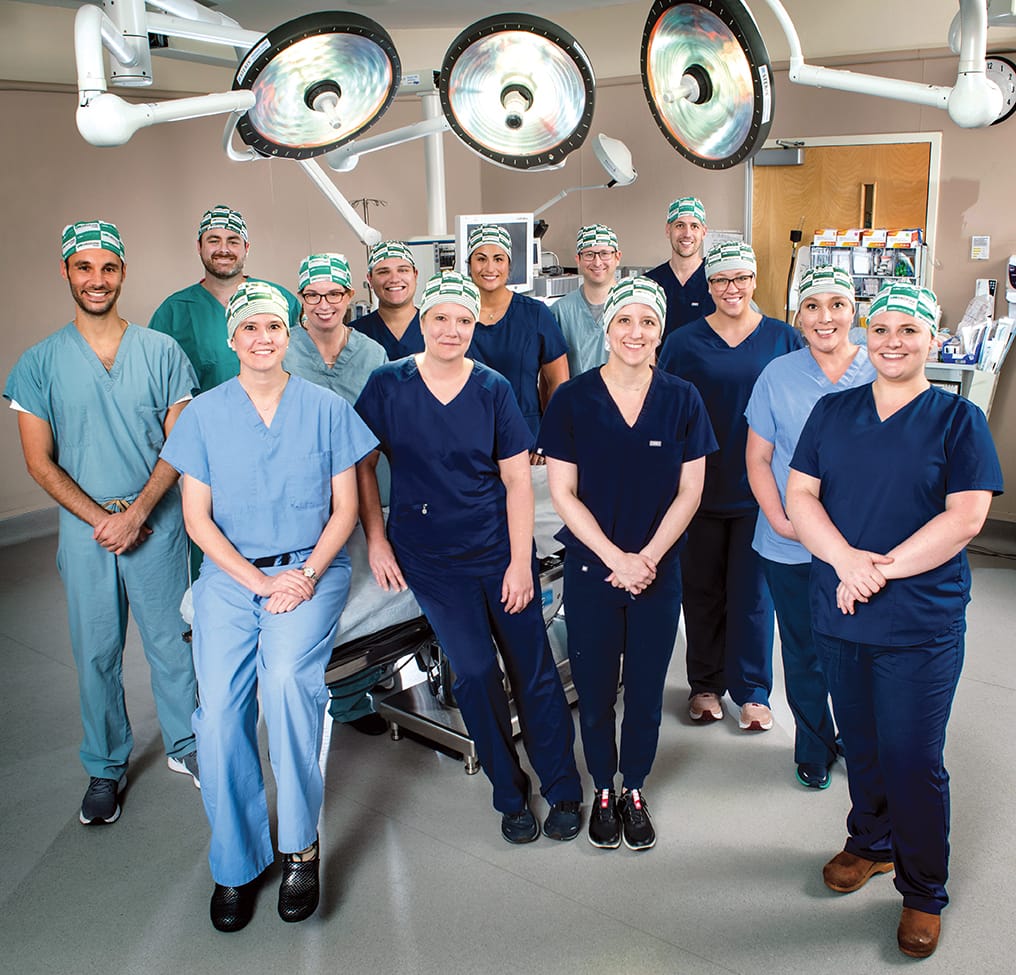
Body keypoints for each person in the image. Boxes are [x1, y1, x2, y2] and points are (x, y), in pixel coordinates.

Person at [785, 283, 1002, 959]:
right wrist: (847, 561)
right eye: (881, 329)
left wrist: (878, 569)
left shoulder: (955, 420)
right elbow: (801, 494)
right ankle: (871, 843)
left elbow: (965, 517)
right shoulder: (832, 411)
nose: (893, 341)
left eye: (909, 329)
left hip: (918, 620)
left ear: (932, 337)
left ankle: (922, 889)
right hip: (842, 612)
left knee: (912, 756)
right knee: (865, 744)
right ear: (866, 335)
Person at [161, 280, 378, 933]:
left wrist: (305, 574)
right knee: (220, 715)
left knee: (286, 684)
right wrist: (257, 584)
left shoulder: (325, 406)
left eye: (275, 328)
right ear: (232, 340)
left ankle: (299, 847)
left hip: (311, 568)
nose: (263, 339)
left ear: (289, 335)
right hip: (232, 578)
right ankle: (236, 861)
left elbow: (345, 511)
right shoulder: (203, 414)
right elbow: (197, 520)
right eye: (250, 328)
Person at [354, 270, 583, 845]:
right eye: (440, 318)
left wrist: (516, 563)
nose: (452, 329)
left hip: (498, 548)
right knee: (477, 673)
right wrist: (377, 540)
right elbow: (360, 464)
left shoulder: (492, 388)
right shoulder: (389, 385)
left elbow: (515, 483)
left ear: (473, 324)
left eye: (462, 319)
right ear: (422, 323)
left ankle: (561, 787)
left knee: (532, 670)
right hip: (430, 558)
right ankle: (509, 793)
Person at [4, 221, 199, 826]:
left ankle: (190, 746)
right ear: (66, 272)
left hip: (156, 524)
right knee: (96, 651)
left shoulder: (161, 352)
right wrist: (104, 520)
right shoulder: (39, 363)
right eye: (84, 268)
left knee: (174, 645)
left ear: (122, 273)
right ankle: (106, 768)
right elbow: (39, 461)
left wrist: (138, 512)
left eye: (107, 268)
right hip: (86, 531)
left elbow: (181, 444)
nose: (96, 279)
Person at [538, 276, 715, 851]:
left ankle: (633, 785)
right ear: (607, 328)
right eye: (624, 321)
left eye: (648, 322)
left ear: (660, 331)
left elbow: (691, 491)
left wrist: (647, 559)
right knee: (593, 689)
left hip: (657, 573)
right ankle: (603, 789)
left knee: (644, 688)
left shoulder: (683, 398)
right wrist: (617, 557)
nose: (635, 333)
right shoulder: (572, 399)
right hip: (594, 571)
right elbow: (563, 491)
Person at [658, 241, 802, 731]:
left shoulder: (784, 339)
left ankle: (754, 691)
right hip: (698, 489)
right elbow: (665, 410)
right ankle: (704, 685)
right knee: (699, 591)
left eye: (740, 278)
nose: (731, 288)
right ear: (708, 285)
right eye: (720, 280)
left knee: (753, 595)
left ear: (755, 279)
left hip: (761, 492)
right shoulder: (681, 342)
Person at [745, 266, 876, 789]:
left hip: (863, 545)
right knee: (803, 650)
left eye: (837, 305)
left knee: (861, 652)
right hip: (791, 543)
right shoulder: (777, 375)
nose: (826, 318)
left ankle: (864, 746)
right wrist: (779, 519)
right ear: (797, 316)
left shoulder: (877, 368)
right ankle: (814, 745)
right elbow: (758, 458)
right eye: (813, 306)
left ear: (854, 312)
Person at [284, 252, 391, 736]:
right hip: (304, 492)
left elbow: (387, 424)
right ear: (300, 300)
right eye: (312, 295)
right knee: (311, 591)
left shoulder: (371, 354)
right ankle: (318, 690)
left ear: (351, 296)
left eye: (334, 294)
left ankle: (355, 695)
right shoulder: (282, 350)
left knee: (364, 591)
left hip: (368, 481)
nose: (324, 305)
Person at [149, 205, 301, 393]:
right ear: (199, 246)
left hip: (277, 416)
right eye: (214, 241)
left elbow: (304, 365)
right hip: (205, 420)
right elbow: (157, 382)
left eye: (233, 241)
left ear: (246, 247)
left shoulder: (280, 299)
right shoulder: (173, 311)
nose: (223, 249)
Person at [465, 224, 570, 438]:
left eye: (498, 258)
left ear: (509, 265)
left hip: (525, 435)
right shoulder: (457, 316)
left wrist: (549, 438)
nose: (490, 267)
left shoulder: (535, 314)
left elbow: (558, 385)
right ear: (469, 264)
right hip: (469, 436)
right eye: (481, 258)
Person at [550, 224, 621, 376]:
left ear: (617, 257)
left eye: (604, 254)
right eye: (589, 254)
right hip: (575, 399)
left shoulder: (631, 306)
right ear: (578, 259)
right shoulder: (561, 311)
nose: (597, 262)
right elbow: (549, 373)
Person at [645, 196, 716, 340]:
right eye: (680, 225)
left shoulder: (718, 280)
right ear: (668, 230)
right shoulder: (650, 284)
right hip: (662, 363)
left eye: (694, 226)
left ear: (703, 232)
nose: (687, 234)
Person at [352, 240, 424, 359]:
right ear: (370, 279)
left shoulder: (440, 328)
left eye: (403, 270)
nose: (394, 279)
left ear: (415, 275)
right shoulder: (354, 335)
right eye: (383, 272)